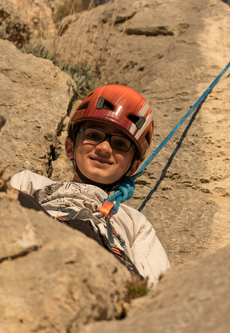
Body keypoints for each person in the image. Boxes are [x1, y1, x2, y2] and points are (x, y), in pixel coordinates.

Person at [11, 84, 170, 287]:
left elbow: (158, 287)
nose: (104, 148)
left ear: (133, 167)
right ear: (70, 147)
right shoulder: (28, 182)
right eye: (93, 136)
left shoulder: (136, 223)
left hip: (105, 273)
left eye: (120, 144)